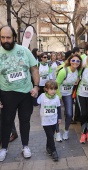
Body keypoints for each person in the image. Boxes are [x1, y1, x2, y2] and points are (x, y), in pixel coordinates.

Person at [0, 25, 39, 161]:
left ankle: (25, 146)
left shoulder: (24, 51)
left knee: (25, 121)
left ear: (14, 38)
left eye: (8, 37)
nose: (5, 40)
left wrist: (36, 86)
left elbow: (34, 69)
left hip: (25, 94)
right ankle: (4, 148)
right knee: (6, 122)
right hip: (6, 94)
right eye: (3, 37)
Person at [56, 54, 82, 140]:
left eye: (78, 61)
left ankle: (66, 131)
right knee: (57, 115)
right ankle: (57, 133)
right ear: (70, 61)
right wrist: (58, 97)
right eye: (73, 60)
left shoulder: (78, 71)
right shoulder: (64, 71)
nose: (75, 62)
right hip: (58, 93)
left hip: (68, 94)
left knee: (70, 114)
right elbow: (57, 84)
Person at [37, 80, 61, 161]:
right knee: (50, 135)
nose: (53, 91)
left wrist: (59, 118)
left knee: (50, 135)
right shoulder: (42, 96)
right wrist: (33, 95)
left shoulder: (57, 97)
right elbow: (36, 103)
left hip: (54, 120)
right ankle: (54, 151)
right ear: (46, 89)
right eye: (51, 89)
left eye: (55, 89)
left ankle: (48, 147)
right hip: (45, 120)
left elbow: (58, 107)